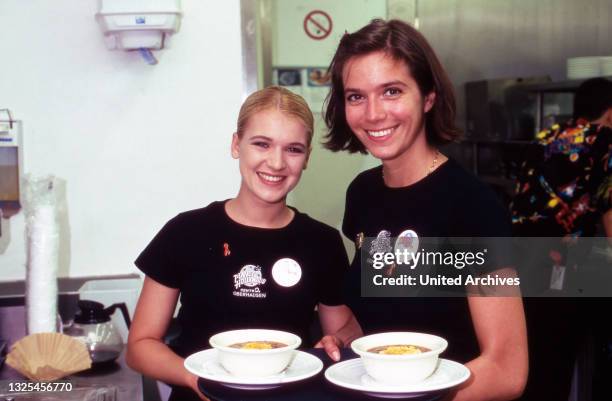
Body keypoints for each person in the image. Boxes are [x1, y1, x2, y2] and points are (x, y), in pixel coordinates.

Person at [320, 19, 528, 401]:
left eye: (392, 91)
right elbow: (385, 313)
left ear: (428, 97)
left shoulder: (472, 205)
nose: (373, 113)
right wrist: (345, 339)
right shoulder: (362, 193)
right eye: (355, 96)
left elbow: (506, 369)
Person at [126, 86, 362, 401]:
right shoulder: (186, 231)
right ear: (236, 145)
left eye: (293, 149)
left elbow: (340, 335)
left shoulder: (321, 242)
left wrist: (339, 341)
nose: (276, 163)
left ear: (307, 158)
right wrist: (196, 380)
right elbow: (140, 347)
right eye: (262, 144)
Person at [511, 77, 612, 400]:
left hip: (522, 261)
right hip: (568, 268)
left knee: (536, 358)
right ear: (610, 113)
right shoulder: (606, 141)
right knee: (563, 358)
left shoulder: (545, 137)